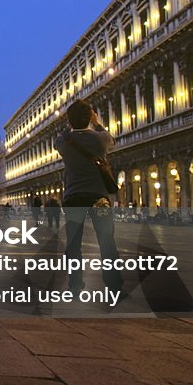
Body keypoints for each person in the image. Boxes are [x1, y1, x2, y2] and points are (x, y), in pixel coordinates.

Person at [54, 99, 123, 295]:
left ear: (70, 121)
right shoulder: (100, 139)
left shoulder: (64, 143)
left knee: (74, 243)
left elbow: (60, 137)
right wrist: (97, 122)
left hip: (74, 197)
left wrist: (70, 126)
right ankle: (113, 284)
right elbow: (112, 140)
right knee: (106, 240)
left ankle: (75, 283)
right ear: (90, 118)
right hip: (98, 197)